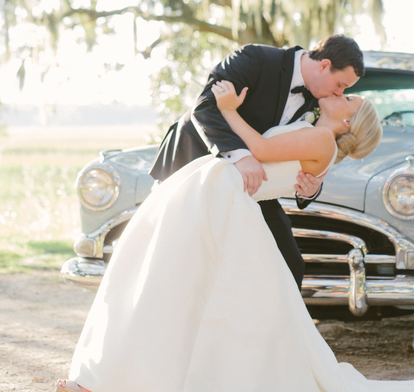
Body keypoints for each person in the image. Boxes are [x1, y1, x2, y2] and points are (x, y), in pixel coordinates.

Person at [56, 83, 414, 392]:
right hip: (217, 194)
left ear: (349, 121)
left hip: (222, 197)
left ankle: (122, 380)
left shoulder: (322, 140)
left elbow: (262, 151)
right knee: (174, 289)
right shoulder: (314, 130)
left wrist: (227, 109)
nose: (341, 94)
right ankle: (119, 378)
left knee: (168, 286)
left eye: (348, 98)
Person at [150, 34, 365, 289]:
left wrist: (311, 188)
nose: (340, 93)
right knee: (182, 260)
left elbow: (301, 153)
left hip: (252, 185)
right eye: (340, 84)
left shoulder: (321, 100)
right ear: (324, 65)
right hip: (195, 163)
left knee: (288, 262)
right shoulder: (255, 58)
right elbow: (204, 107)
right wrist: (240, 156)